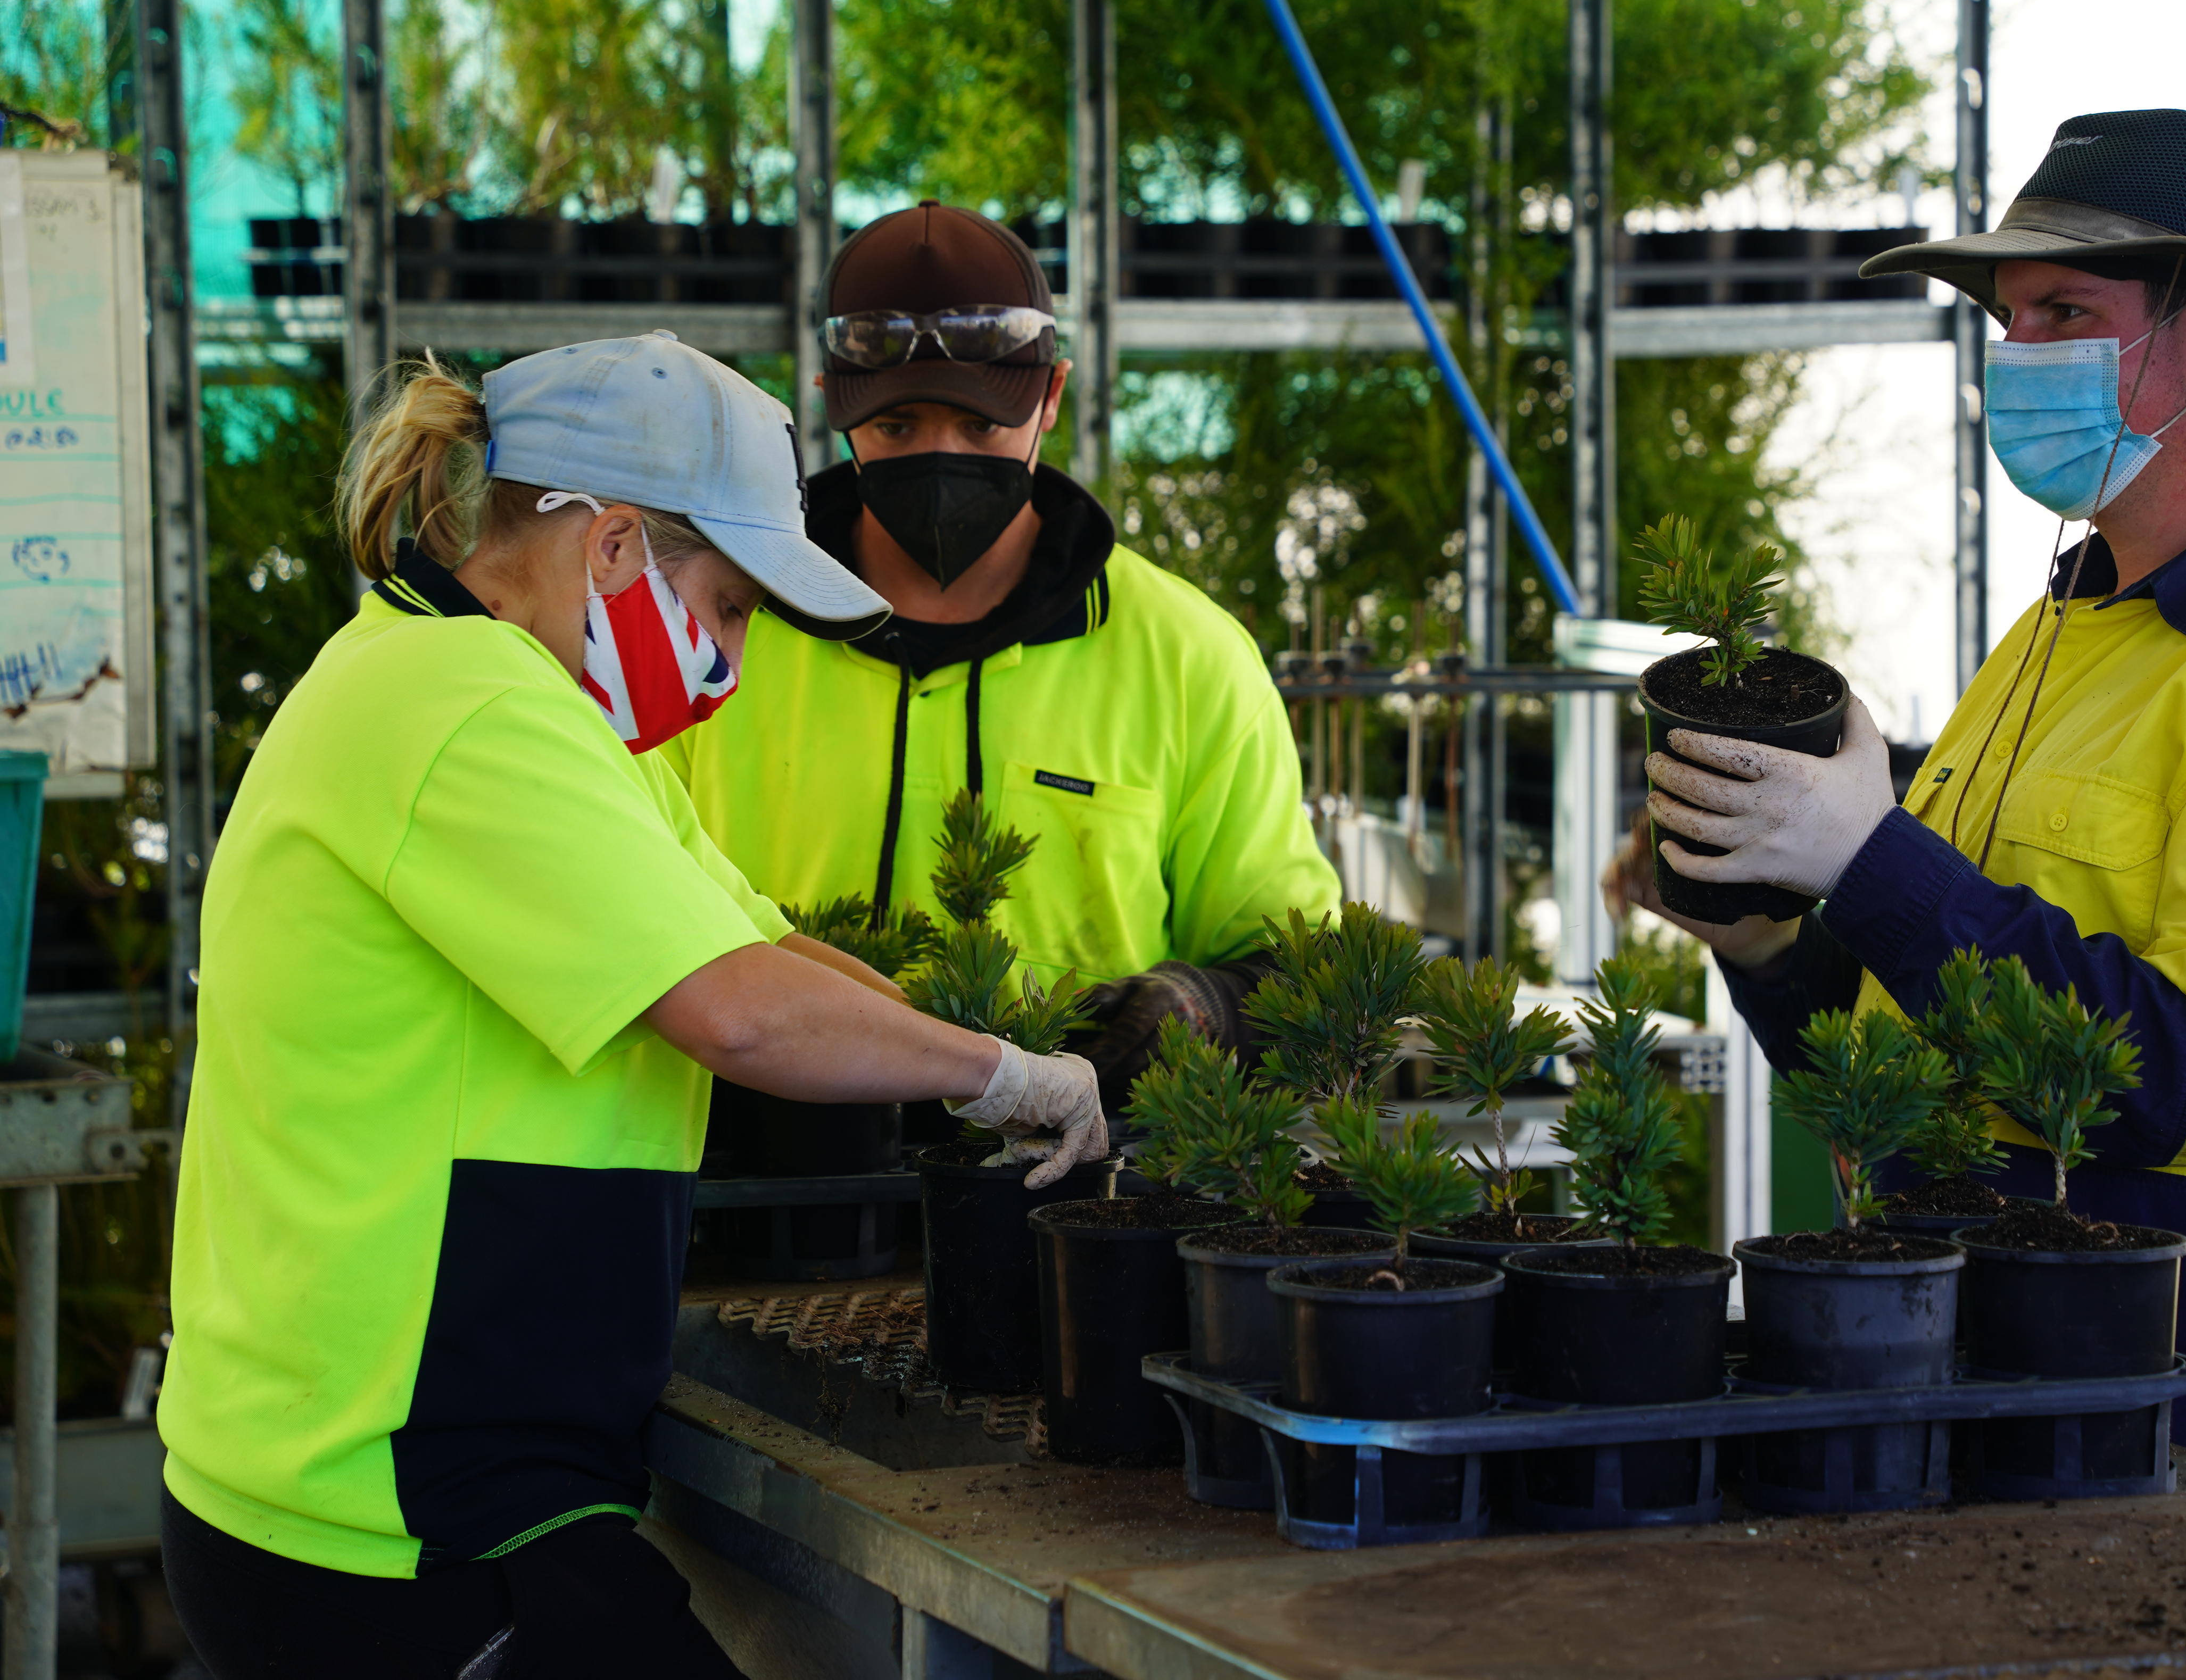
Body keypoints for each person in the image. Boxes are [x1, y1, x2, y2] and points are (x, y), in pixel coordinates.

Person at [156, 334, 1106, 1678]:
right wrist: (1002, 1076)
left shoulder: (521, 705)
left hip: (416, 1484)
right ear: (610, 548)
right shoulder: (462, 708)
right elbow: (737, 1011)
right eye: (728, 607)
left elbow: (765, 944)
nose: (730, 661)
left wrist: (971, 1047)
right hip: (391, 1520)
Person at [1610, 110, 2186, 1486]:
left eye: (2064, 313)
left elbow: (2178, 1078)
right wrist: (1769, 942)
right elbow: (1925, 1046)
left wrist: (1869, 858)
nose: (2015, 355)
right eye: (2009, 320)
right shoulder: (2059, 634)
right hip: (1992, 1385)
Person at [664, 201, 1338, 1118]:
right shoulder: (709, 630)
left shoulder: (1188, 659)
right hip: (764, 1170)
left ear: (1051, 396)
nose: (940, 457)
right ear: (831, 401)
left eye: (981, 426)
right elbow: (629, 900)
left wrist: (1199, 1009)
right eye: (898, 427)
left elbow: (1297, 965)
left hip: (1077, 1176)